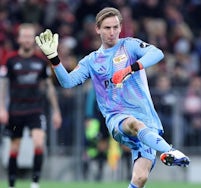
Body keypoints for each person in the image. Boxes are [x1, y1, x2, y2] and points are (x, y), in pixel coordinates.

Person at [35, 7, 190, 188]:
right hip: (118, 118)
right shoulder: (92, 61)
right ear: (97, 29)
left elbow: (157, 53)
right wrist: (54, 58)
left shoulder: (129, 45)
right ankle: (169, 151)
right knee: (134, 123)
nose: (112, 32)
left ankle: (164, 153)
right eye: (107, 28)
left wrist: (130, 69)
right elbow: (68, 82)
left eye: (116, 27)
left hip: (147, 120)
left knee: (140, 179)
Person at [0, 23, 62, 188]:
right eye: (24, 36)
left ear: (33, 39)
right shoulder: (10, 60)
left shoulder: (41, 62)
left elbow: (49, 87)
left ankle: (35, 183)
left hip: (36, 109)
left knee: (39, 142)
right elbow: (4, 85)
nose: (27, 39)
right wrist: (2, 108)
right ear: (19, 39)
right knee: (14, 147)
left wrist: (56, 111)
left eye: (30, 36)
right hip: (15, 110)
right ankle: (12, 184)